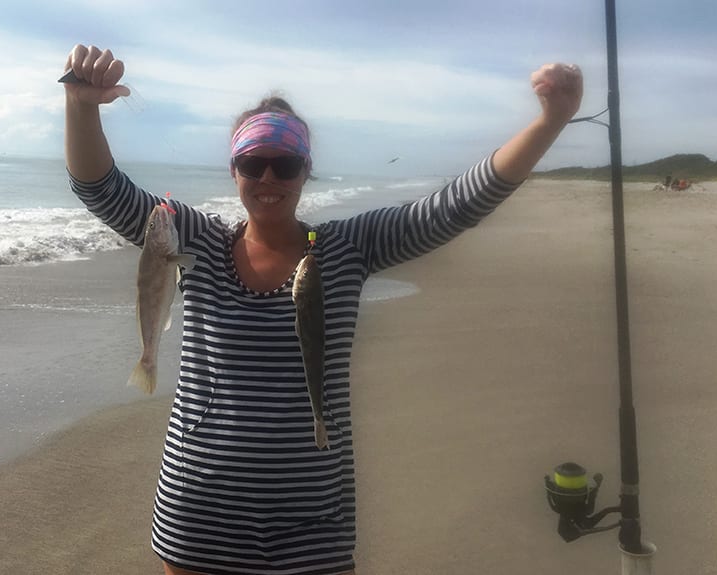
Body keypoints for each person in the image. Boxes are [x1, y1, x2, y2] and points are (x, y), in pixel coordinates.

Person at [63, 44, 583, 575]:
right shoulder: (194, 240)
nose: (268, 178)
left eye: (284, 164)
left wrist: (551, 121)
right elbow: (100, 189)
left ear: (306, 170)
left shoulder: (345, 247)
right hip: (199, 509)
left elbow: (454, 207)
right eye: (253, 163)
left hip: (310, 513)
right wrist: (81, 105)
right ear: (235, 168)